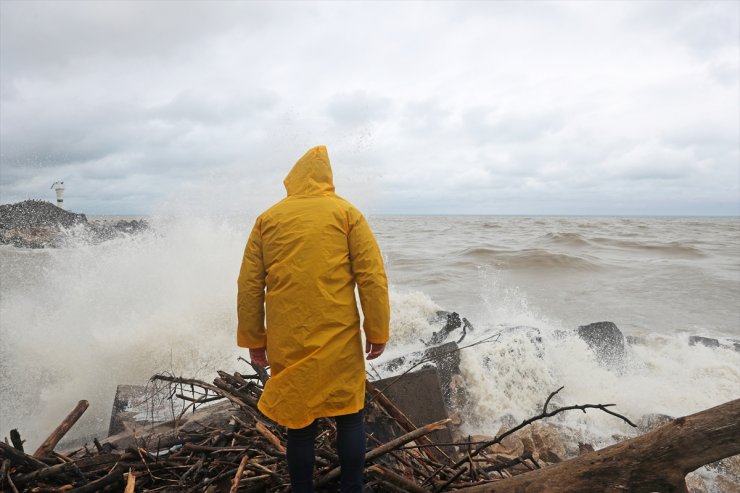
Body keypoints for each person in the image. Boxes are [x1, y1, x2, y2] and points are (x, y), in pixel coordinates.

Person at [237, 145, 390, 493]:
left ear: (294, 178)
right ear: (327, 178)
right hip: (338, 336)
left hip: (288, 339)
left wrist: (254, 339)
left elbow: (248, 286)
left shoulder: (267, 219)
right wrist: (377, 330)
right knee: (350, 417)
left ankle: (302, 489)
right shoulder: (347, 213)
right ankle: (352, 487)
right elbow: (372, 277)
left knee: (300, 425)